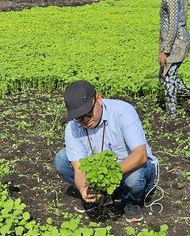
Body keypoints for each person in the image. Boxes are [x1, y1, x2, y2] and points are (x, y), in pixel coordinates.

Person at [55, 80, 159, 223]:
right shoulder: (72, 127)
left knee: (134, 178)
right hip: (103, 174)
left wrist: (110, 176)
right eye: (79, 117)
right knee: (61, 159)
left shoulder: (123, 112)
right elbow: (79, 168)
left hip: (130, 167)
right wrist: (83, 188)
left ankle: (131, 201)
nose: (85, 120)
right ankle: (96, 196)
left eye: (88, 113)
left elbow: (140, 156)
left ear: (98, 98)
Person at [159, 0, 190, 116]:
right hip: (178, 41)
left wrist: (166, 50)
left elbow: (173, 26)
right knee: (165, 77)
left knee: (167, 77)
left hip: (175, 44)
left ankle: (171, 114)